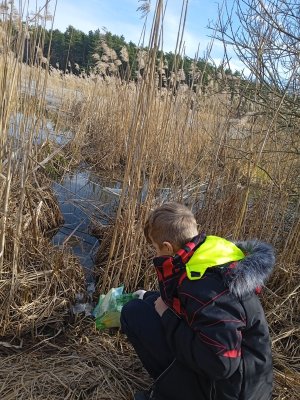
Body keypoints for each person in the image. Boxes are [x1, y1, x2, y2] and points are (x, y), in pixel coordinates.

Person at [120, 202, 275, 400]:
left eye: (155, 248)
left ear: (167, 247)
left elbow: (221, 364)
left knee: (133, 313)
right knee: (146, 304)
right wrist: (152, 299)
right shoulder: (211, 258)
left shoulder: (205, 289)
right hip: (242, 383)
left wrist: (166, 315)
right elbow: (195, 309)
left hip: (229, 392)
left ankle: (172, 391)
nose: (155, 254)